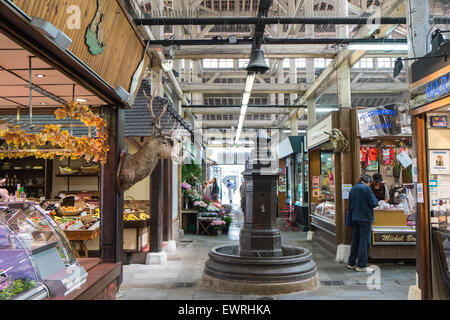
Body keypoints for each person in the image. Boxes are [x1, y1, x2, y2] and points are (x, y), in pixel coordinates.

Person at [347, 174, 379, 273]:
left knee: (355, 240)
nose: (370, 185)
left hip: (354, 218)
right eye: (370, 183)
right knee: (364, 242)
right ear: (367, 182)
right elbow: (374, 203)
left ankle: (351, 263)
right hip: (365, 218)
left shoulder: (353, 189)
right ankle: (361, 265)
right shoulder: (366, 189)